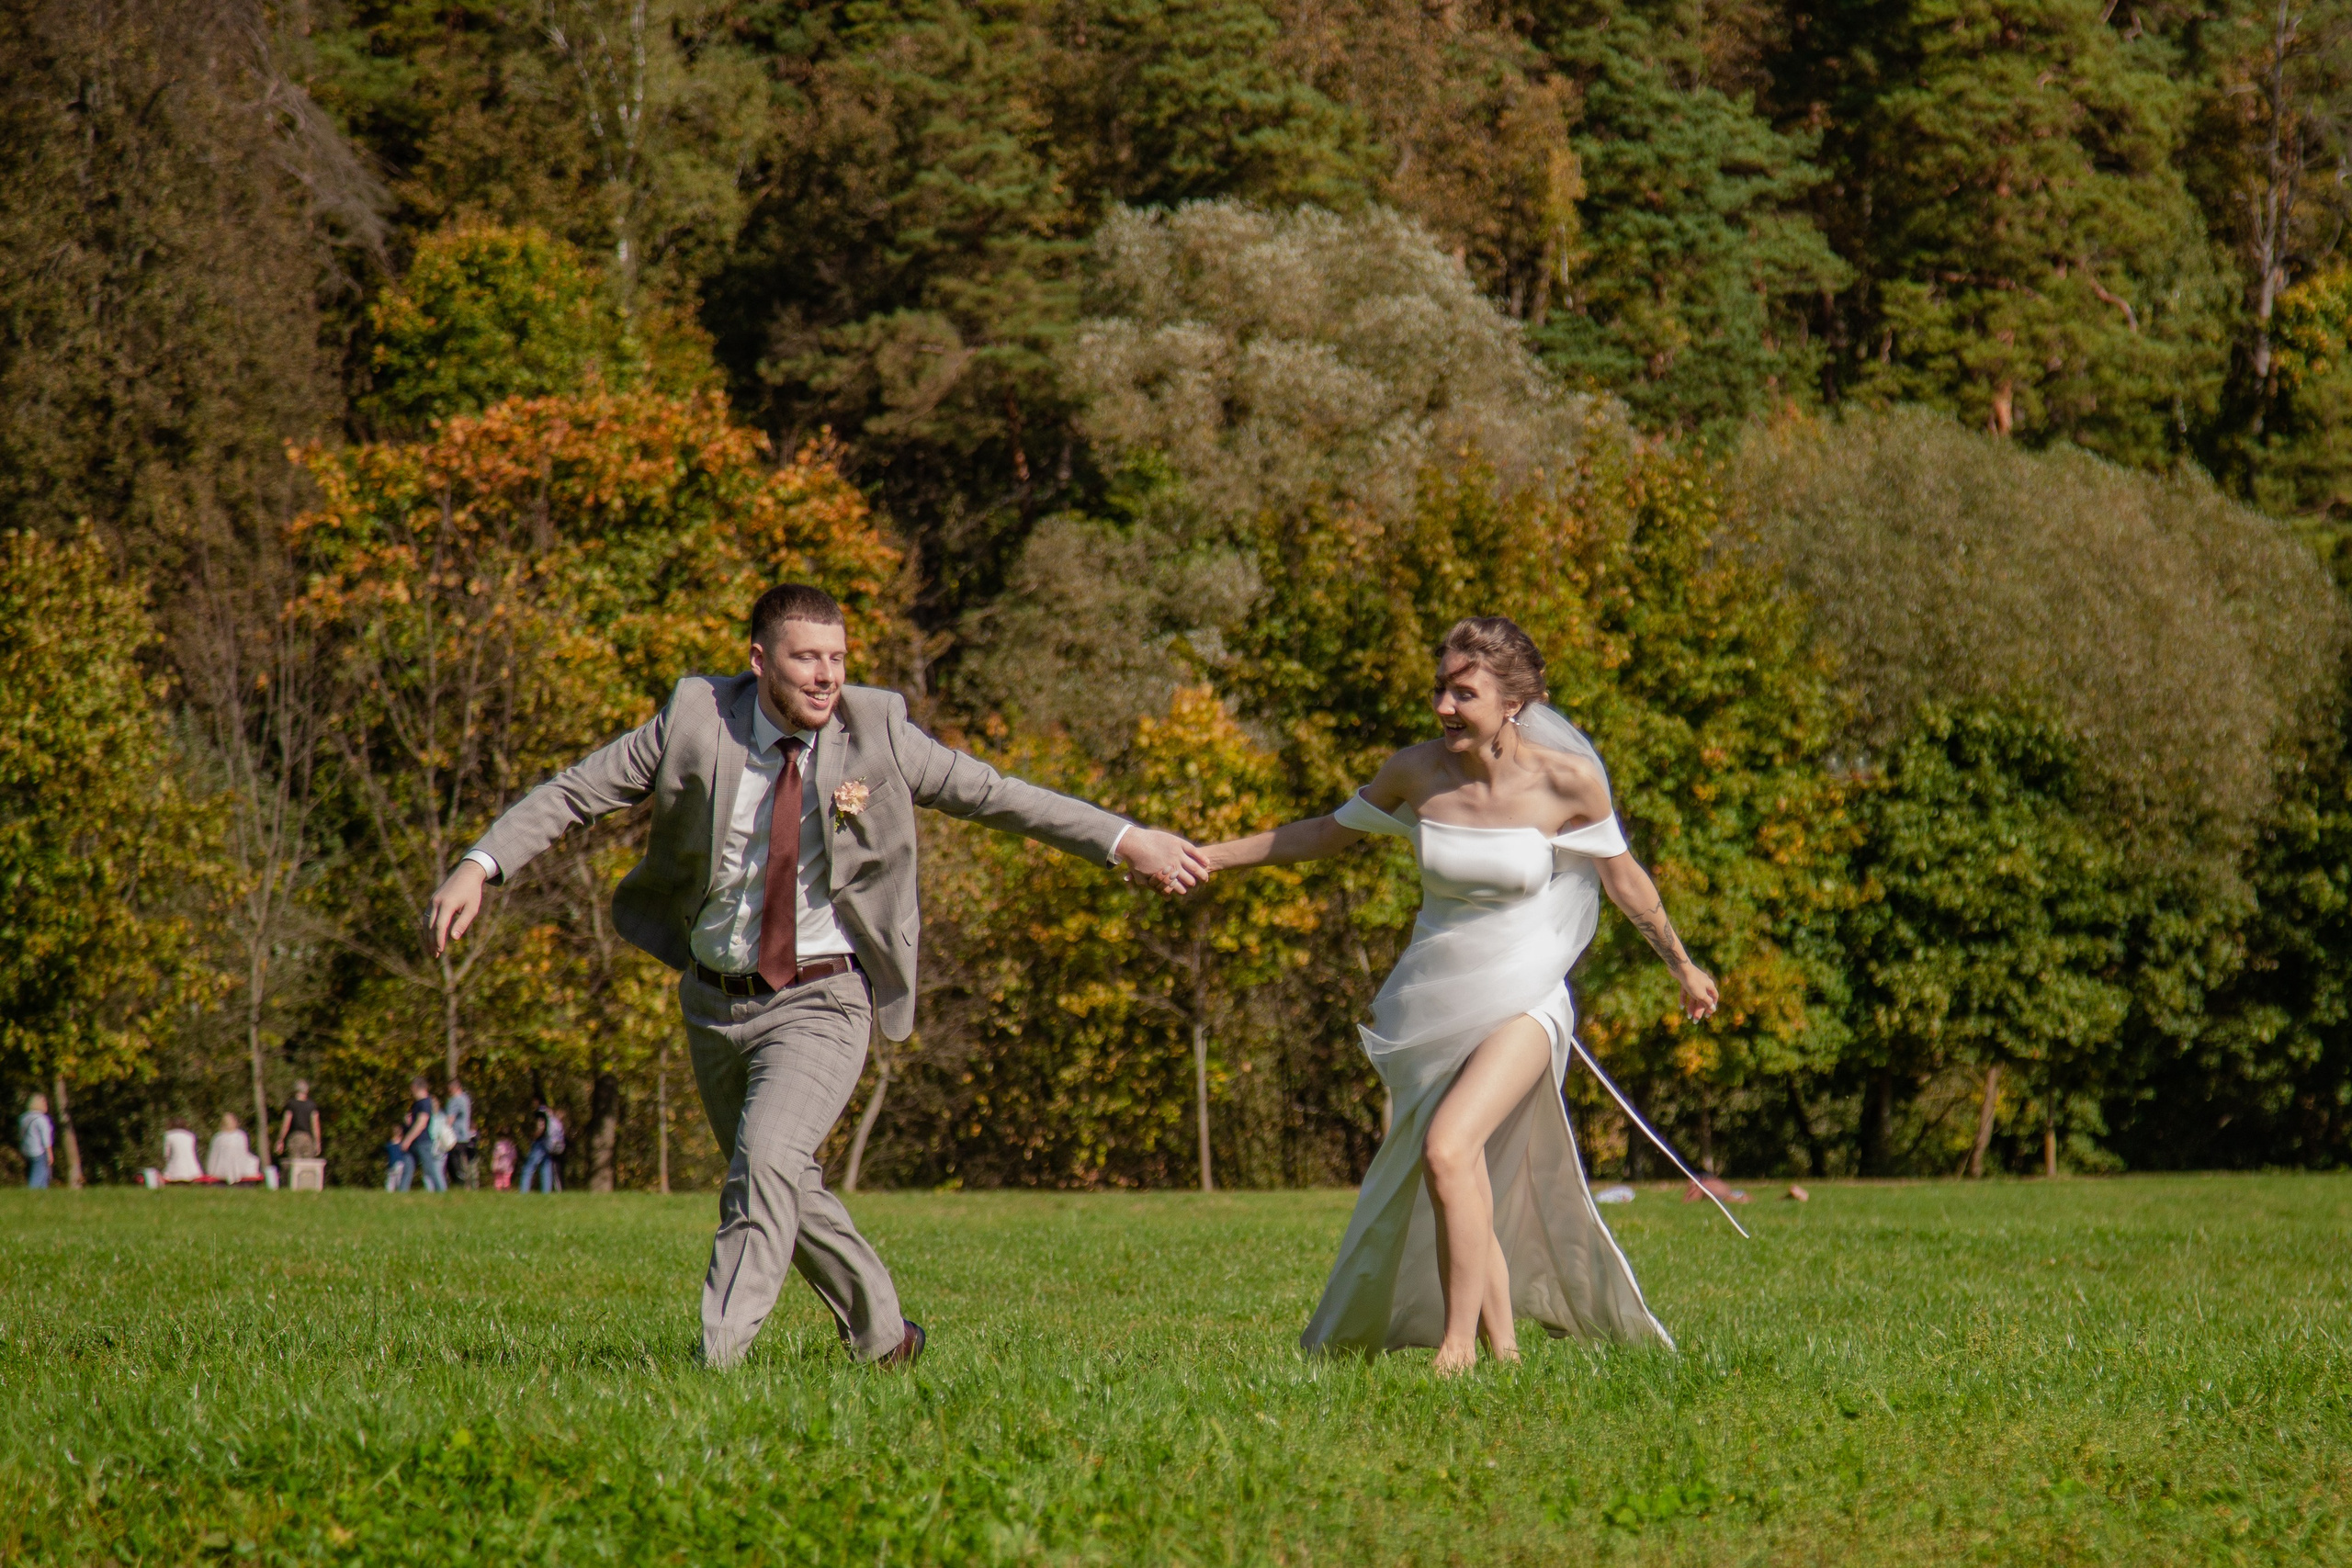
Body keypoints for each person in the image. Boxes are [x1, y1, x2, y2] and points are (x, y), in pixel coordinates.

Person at [424, 582, 1208, 1370]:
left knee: (761, 1166)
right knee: (783, 1182)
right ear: (760, 660)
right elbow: (574, 792)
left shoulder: (879, 733)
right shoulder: (697, 719)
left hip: (824, 999)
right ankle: (886, 1339)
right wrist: (478, 865)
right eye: (806, 658)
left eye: (836, 658)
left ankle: (715, 1367)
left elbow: (997, 795)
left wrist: (1124, 839)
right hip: (712, 1000)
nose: (826, 675)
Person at [1197, 617, 1719, 1372]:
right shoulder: (1414, 772)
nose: (1443, 704)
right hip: (1436, 997)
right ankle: (1503, 1351)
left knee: (1447, 1148)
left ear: (1514, 702)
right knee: (1459, 1169)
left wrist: (1681, 962)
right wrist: (1206, 858)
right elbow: (1322, 833)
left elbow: (1622, 874)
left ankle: (1455, 1350)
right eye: (1439, 687)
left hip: (1528, 992)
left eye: (1462, 691)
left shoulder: (1567, 780)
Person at [396, 1078, 443, 1192]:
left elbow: (421, 1123)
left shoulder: (425, 1102)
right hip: (414, 1143)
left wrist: (407, 1140)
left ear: (416, 1087)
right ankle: (401, 1193)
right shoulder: (416, 1104)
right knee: (407, 1168)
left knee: (429, 1169)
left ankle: (441, 1191)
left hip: (423, 1142)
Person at [516, 1100, 565, 1192]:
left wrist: (534, 1137)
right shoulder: (550, 1114)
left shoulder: (541, 1113)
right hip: (548, 1145)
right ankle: (546, 1192)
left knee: (528, 1168)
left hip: (540, 1144)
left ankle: (523, 1191)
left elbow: (541, 1128)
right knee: (546, 1169)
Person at [205, 1114, 262, 1183]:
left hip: (230, 1167)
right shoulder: (220, 1137)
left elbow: (243, 1153)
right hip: (229, 1168)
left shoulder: (238, 1136)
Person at [276, 1081, 323, 1163]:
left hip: (294, 1138)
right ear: (307, 1091)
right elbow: (315, 1126)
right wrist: (317, 1142)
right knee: (307, 1166)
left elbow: (286, 1124)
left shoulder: (291, 1104)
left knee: (294, 1165)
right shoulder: (312, 1105)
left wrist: (280, 1140)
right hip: (307, 1139)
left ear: (295, 1090)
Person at [444, 1077, 477, 1188]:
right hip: (464, 1135)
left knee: (454, 1163)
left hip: (455, 1136)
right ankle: (464, 1184)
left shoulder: (455, 1100)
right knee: (461, 1162)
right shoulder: (465, 1098)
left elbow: (449, 1119)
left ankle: (460, 1184)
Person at [18, 1095, 55, 1189]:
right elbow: (45, 1138)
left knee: (43, 1176)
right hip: (39, 1151)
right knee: (38, 1175)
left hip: (26, 1149)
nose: (46, 1105)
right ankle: (31, 1195)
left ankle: (42, 1196)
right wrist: (49, 1154)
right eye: (44, 1103)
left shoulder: (23, 1118)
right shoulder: (42, 1119)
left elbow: (21, 1135)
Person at [162, 1119, 204, 1183]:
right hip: (192, 1170)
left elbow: (166, 1154)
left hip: (175, 1171)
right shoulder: (191, 1136)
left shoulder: (168, 1135)